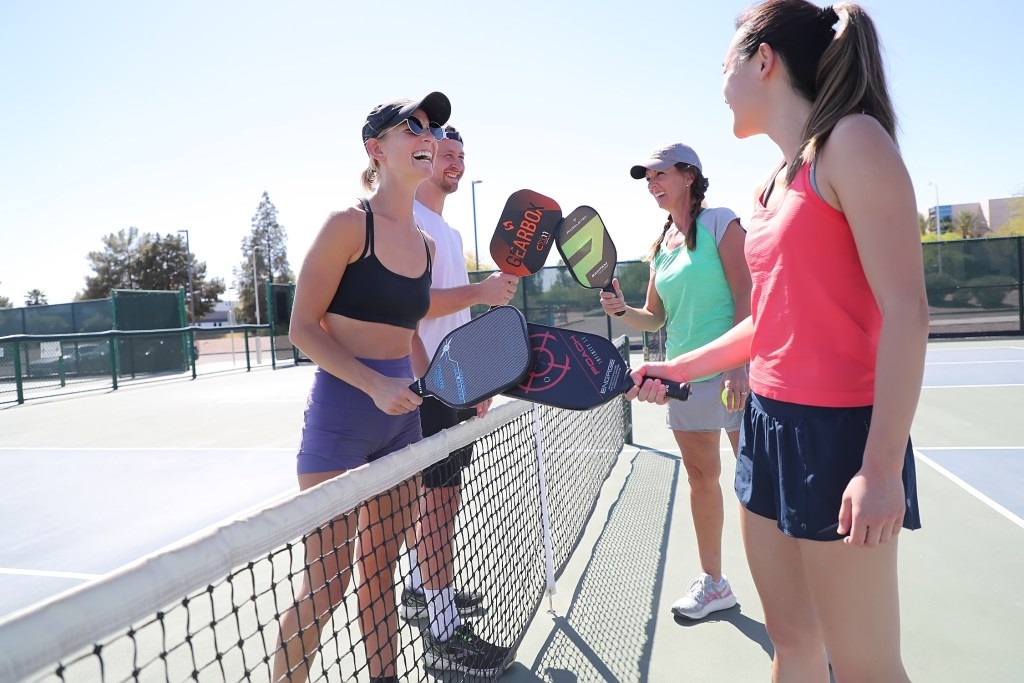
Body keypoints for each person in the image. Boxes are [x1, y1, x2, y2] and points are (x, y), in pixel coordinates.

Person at [628, 2, 927, 680]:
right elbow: (770, 320)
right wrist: (682, 365)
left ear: (763, 60)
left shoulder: (854, 142)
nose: (720, 81)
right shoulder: (769, 183)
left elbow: (907, 309)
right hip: (767, 426)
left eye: (725, 64)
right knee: (793, 644)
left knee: (864, 665)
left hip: (841, 436)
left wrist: (879, 468)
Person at [273, 91, 450, 683]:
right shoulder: (348, 225)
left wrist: (433, 386)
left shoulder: (424, 245)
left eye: (432, 127)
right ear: (377, 149)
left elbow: (409, 333)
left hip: (403, 421)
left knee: (381, 576)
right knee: (325, 586)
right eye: (412, 127)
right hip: (341, 419)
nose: (427, 135)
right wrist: (374, 385)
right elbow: (301, 327)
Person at [600, 143, 751, 620]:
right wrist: (623, 311)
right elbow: (654, 318)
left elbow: (749, 293)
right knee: (702, 479)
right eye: (647, 178)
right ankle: (714, 583)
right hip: (685, 382)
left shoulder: (721, 222)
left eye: (659, 174)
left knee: (759, 483)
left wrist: (738, 364)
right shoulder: (661, 247)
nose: (652, 184)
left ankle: (789, 588)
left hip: (737, 373)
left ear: (689, 176)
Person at [403, 124, 518, 676]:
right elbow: (413, 307)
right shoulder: (410, 223)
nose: (454, 161)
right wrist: (481, 290)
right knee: (438, 508)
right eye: (445, 153)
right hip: (424, 388)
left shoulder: (444, 230)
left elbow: (456, 319)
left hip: (452, 387)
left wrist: (474, 383)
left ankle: (423, 591)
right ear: (423, 159)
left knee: (438, 506)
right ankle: (444, 629)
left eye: (460, 155)